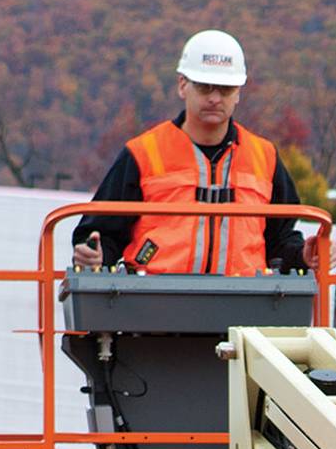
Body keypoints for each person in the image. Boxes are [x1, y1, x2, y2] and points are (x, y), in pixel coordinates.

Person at [70, 30, 308, 274]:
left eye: (225, 89)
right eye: (205, 87)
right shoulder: (143, 153)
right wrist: (94, 255)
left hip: (243, 303)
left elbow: (281, 239)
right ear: (183, 85)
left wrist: (305, 256)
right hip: (153, 302)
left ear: (238, 92)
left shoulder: (264, 157)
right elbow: (102, 233)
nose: (215, 98)